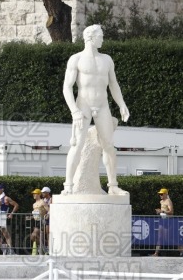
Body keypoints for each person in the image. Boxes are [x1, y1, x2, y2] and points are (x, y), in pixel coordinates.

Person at [62, 24, 129, 196]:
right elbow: (67, 88)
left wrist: (122, 104)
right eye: (101, 36)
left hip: (102, 106)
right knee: (76, 145)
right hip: (83, 106)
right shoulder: (76, 59)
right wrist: (74, 111)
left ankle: (113, 185)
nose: (103, 39)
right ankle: (68, 185)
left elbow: (113, 84)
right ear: (91, 37)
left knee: (109, 146)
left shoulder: (107, 59)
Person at [0, 184, 19, 255]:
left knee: (5, 233)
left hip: (2, 215)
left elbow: (16, 205)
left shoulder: (6, 198)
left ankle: (11, 249)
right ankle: (5, 248)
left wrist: (11, 213)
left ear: (2, 189)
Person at [152, 188, 174, 256]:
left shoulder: (168, 201)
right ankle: (156, 253)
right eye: (159, 194)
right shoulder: (161, 201)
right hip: (162, 221)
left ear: (165, 194)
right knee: (159, 237)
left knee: (169, 238)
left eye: (161, 194)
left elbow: (171, 212)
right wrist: (159, 212)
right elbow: (163, 211)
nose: (160, 195)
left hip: (168, 221)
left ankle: (181, 250)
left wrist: (162, 212)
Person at [30, 188, 48, 255]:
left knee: (34, 235)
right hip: (35, 221)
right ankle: (42, 248)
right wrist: (30, 217)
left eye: (35, 194)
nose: (34, 195)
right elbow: (35, 213)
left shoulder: (42, 202)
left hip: (41, 220)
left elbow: (48, 210)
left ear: (39, 194)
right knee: (34, 237)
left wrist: (47, 215)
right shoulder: (34, 204)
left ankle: (43, 248)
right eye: (33, 194)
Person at [41, 186, 52, 253]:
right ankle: (47, 246)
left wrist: (48, 214)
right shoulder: (44, 200)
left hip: (50, 217)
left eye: (44, 193)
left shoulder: (51, 199)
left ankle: (49, 246)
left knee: (48, 232)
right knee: (46, 232)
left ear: (47, 193)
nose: (42, 194)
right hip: (45, 217)